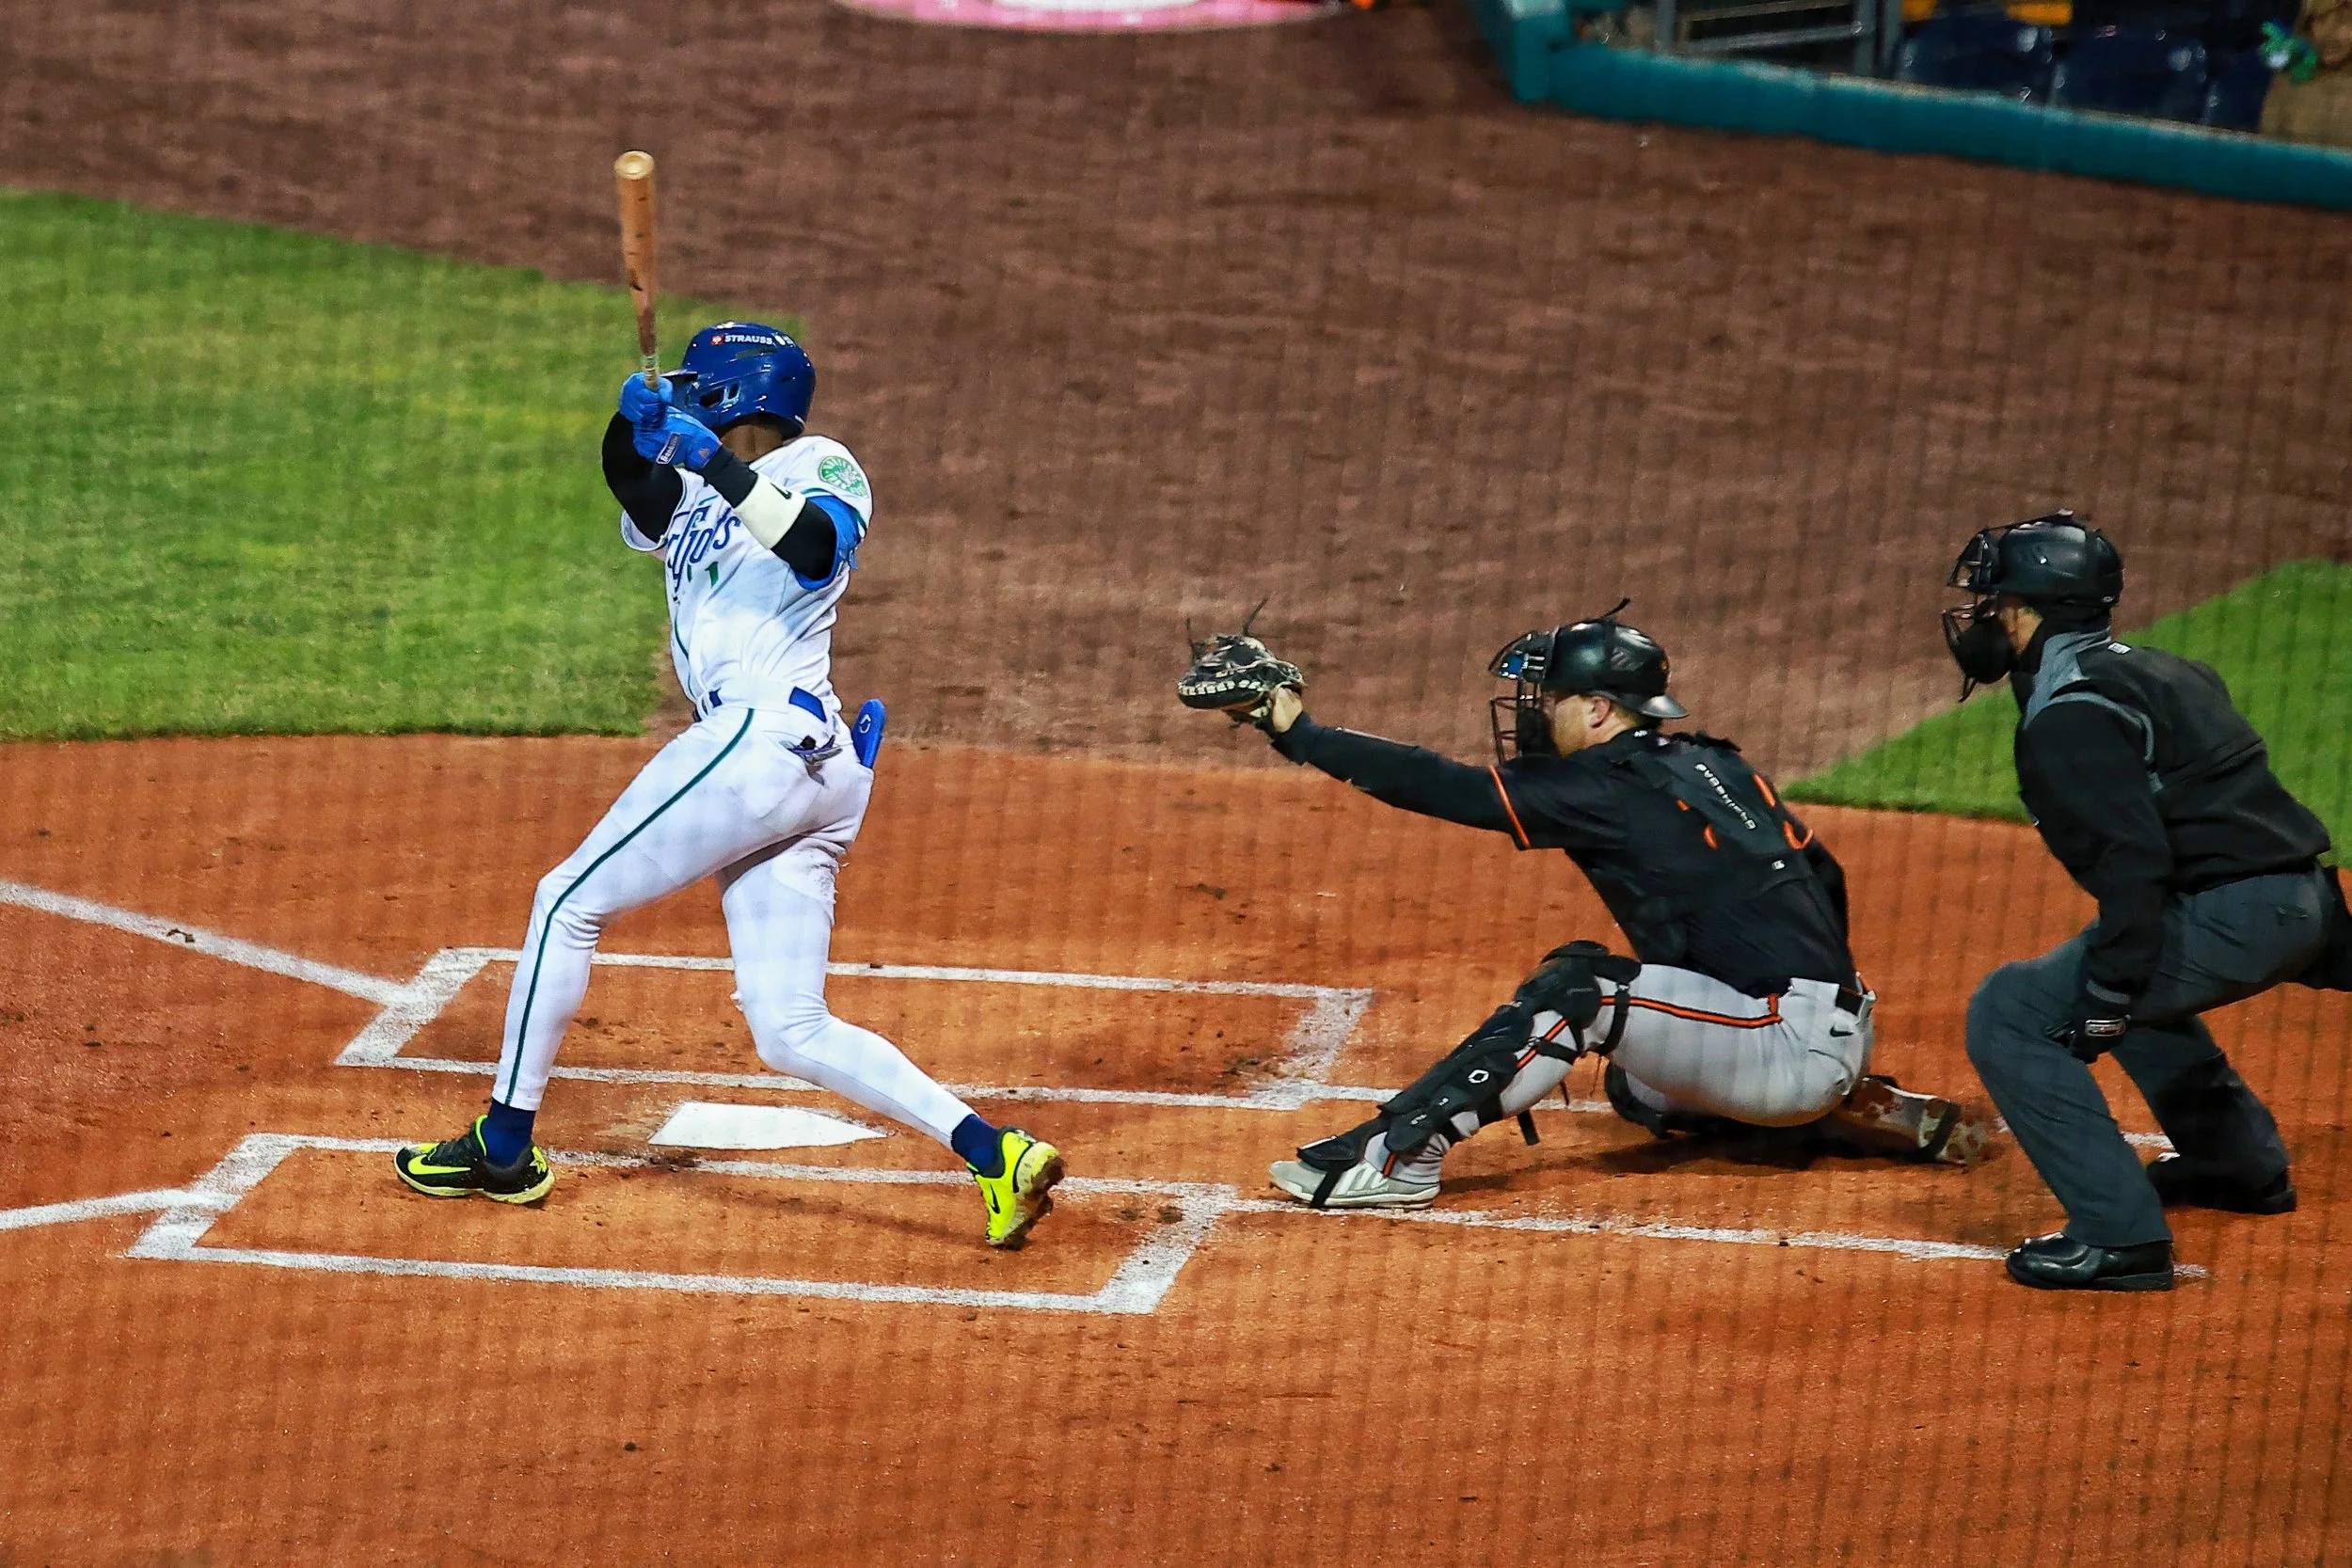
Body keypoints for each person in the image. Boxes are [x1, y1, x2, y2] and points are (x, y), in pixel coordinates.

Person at [393, 322, 1065, 1249]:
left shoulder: (824, 464)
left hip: (766, 739)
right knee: (790, 1027)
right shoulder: (690, 496)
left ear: (734, 396)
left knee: (564, 904)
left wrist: (714, 461)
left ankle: (503, 1144)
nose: (682, 394)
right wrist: (624, 430)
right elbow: (636, 483)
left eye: (694, 386)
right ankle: (998, 1154)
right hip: (807, 768)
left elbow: (815, 549)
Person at [1179, 605, 1987, 1211]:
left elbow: (1445, 786)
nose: (1534, 712)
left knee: (1581, 995)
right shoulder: (1711, 764)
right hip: (1813, 1024)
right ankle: (1842, 1109)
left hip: (1782, 1043)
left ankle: (1397, 1160)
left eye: (1551, 697)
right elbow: (1827, 874)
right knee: (1635, 1077)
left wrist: (1295, 728)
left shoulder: (1603, 784)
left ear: (1599, 709)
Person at [1947, 514, 2342, 1291]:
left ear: (2030, 608)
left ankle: (2117, 1238)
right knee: (2118, 961)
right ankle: (2236, 1166)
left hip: (2244, 914)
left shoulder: (2070, 715)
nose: (1981, 617)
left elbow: (2134, 862)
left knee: (2014, 1010)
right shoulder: (2161, 670)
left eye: (1993, 602)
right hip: (2300, 900)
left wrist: (2108, 987)